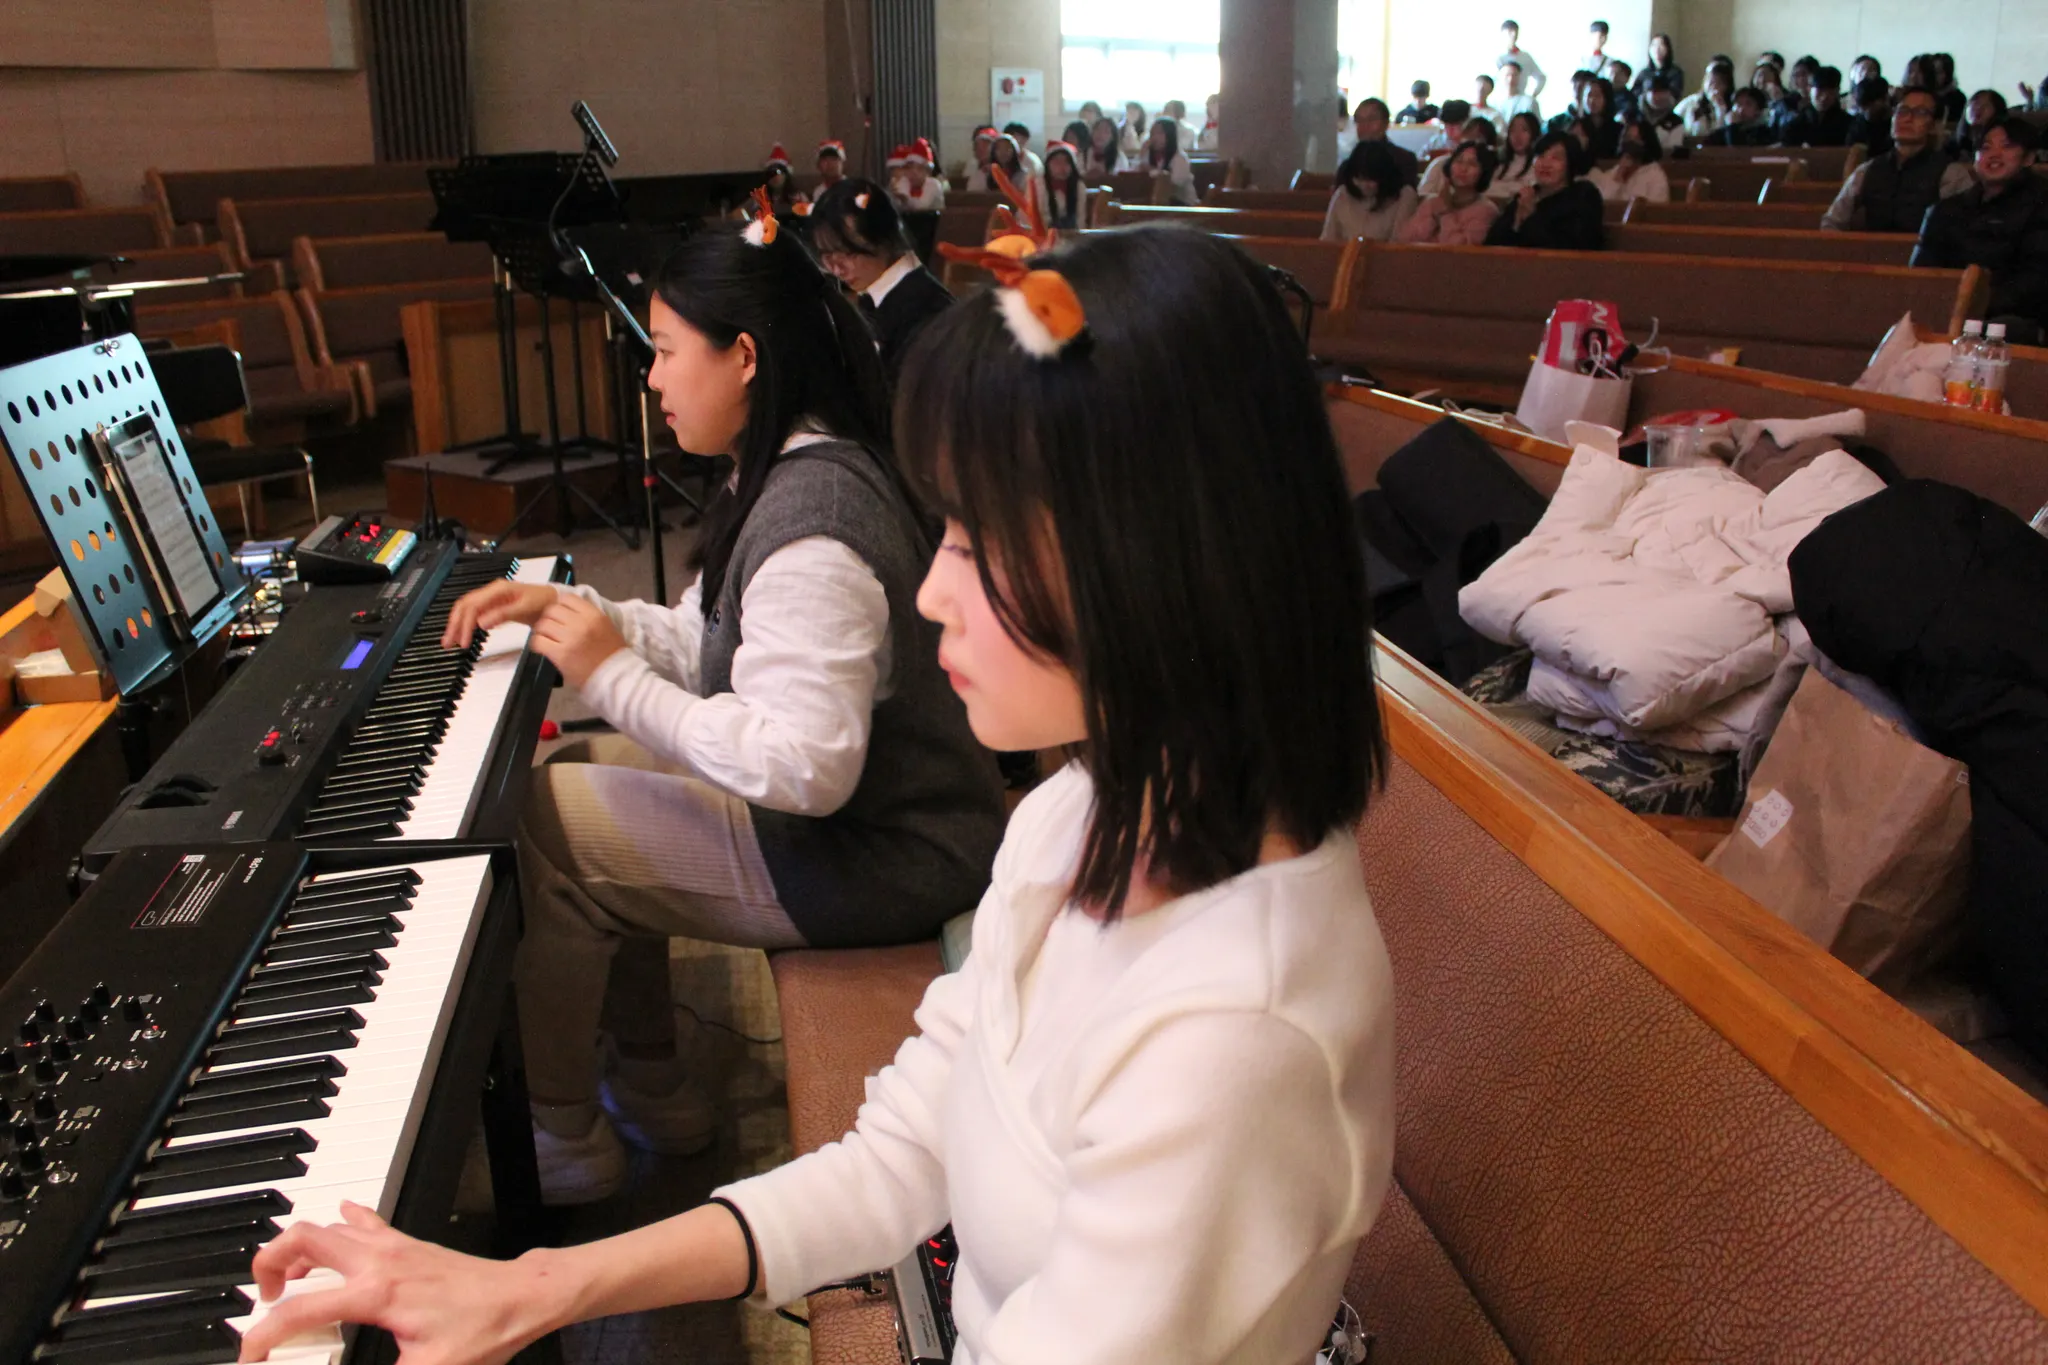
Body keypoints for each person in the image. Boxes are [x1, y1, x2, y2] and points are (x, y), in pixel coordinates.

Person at [233, 221, 1398, 1365]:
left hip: (861, 853)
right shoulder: (1076, 812)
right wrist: (529, 1289)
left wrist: (611, 673)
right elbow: (901, 1155)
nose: (930, 592)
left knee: (566, 815)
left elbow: (804, 763)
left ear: (1156, 552)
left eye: (977, 538)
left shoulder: (1230, 1037)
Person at [426, 213, 1005, 1203]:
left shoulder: (811, 533)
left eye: (663, 350)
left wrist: (609, 674)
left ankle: (563, 1133)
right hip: (876, 828)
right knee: (579, 774)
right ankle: (655, 1086)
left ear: (742, 356)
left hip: (887, 858)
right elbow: (709, 640)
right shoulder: (789, 464)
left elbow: (803, 769)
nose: (650, 378)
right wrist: (579, 614)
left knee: (544, 821)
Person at [1913, 116, 2048, 338]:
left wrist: (1972, 307)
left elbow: (2035, 282)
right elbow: (1922, 273)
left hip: (2014, 318)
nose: (1994, 154)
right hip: (1950, 310)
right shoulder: (1945, 209)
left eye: (2007, 146)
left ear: (2029, 158)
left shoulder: (2042, 205)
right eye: (1985, 147)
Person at [812, 178, 953, 383]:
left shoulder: (925, 310)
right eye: (827, 255)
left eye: (849, 253)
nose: (836, 269)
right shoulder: (873, 295)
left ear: (885, 238)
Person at [1823, 85, 1975, 232]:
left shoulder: (1951, 174)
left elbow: (1966, 229)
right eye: (1902, 111)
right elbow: (1832, 221)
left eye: (1920, 112)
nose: (1907, 118)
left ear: (1934, 125)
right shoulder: (1868, 170)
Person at [1485, 130, 1603, 249]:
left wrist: (1530, 218)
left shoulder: (1583, 196)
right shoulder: (1525, 196)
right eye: (1541, 156)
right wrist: (1516, 223)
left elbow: (1570, 248)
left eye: (1556, 158)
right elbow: (1491, 243)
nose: (1546, 164)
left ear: (1570, 163)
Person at [1400, 142, 1502, 244]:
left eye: (1472, 164)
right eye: (1459, 161)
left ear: (1483, 172)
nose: (1463, 169)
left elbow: (1457, 248)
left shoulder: (1486, 211)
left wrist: (1445, 213)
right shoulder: (1433, 202)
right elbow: (1405, 239)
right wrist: (1433, 217)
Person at [1323, 140, 1419, 241]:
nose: (1364, 185)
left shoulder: (1404, 196)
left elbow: (1399, 243)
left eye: (1370, 180)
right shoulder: (1343, 194)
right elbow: (1327, 238)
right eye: (1358, 179)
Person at [1588, 119, 1671, 203]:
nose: (1631, 143)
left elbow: (1656, 207)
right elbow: (1602, 200)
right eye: (1628, 137)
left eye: (1636, 139)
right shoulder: (1615, 171)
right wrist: (1618, 176)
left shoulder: (1655, 175)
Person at [1352, 96, 1421, 188]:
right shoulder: (1350, 164)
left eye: (1371, 119)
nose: (1365, 125)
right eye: (1359, 120)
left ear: (1386, 123)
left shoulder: (1404, 160)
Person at [1416, 114, 1494, 195]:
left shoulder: (1495, 170)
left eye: (1478, 138)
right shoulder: (1440, 164)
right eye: (1468, 136)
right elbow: (1422, 194)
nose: (1464, 168)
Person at [1783, 66, 1851, 146]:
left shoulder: (1848, 124)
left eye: (1831, 92)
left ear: (1837, 92)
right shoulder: (1796, 122)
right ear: (1809, 89)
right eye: (1820, 91)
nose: (1824, 97)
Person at [1141, 117, 1197, 206]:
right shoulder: (1148, 154)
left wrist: (1151, 170)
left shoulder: (1180, 158)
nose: (1154, 137)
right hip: (1156, 203)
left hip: (1182, 204)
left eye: (1159, 133)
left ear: (1170, 135)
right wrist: (1142, 154)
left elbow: (1173, 184)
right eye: (1152, 133)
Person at [1676, 60, 1737, 140]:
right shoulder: (1691, 102)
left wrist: (1720, 109)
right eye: (1711, 82)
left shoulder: (1732, 107)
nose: (1714, 87)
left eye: (1719, 83)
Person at [1490, 110, 1544, 199]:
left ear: (1534, 133)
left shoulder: (1538, 164)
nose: (1517, 136)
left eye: (1524, 130)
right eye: (1513, 130)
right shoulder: (1499, 160)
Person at [1946, 89, 2009, 161]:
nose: (1979, 108)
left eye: (1987, 105)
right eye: (1976, 103)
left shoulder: (1999, 146)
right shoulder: (1951, 143)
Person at [888, 139, 946, 214]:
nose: (914, 173)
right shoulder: (906, 182)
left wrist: (905, 198)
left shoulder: (933, 184)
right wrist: (893, 195)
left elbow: (922, 207)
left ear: (928, 172)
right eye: (909, 168)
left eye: (920, 169)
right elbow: (896, 209)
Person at [1709, 86, 1776, 147]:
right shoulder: (1727, 128)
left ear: (1758, 110)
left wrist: (1732, 126)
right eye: (1738, 104)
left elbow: (1738, 153)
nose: (1741, 109)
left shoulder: (1763, 132)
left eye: (1748, 104)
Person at [1041, 140, 1087, 230]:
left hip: (1072, 233)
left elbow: (1080, 218)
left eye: (1067, 162)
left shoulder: (1078, 186)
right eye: (1057, 162)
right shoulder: (1038, 185)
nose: (1062, 167)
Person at [1498, 18, 1548, 99]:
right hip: (1500, 100)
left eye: (1515, 32)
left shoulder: (1525, 57)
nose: (1513, 35)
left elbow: (1541, 77)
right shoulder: (1498, 57)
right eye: (1510, 31)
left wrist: (1533, 95)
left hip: (1520, 98)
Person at [1633, 32, 1685, 104]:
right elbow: (1634, 93)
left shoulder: (1675, 72)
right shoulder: (1644, 72)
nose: (1657, 49)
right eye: (1654, 45)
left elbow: (1675, 94)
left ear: (1667, 49)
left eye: (1661, 45)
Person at [1847, 78, 1894, 156]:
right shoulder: (1856, 124)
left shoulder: (1895, 125)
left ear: (1885, 100)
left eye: (1871, 105)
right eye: (1864, 107)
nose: (1867, 112)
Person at [762, 145, 803, 217]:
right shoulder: (761, 198)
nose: (775, 177)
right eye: (771, 173)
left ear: (786, 175)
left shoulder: (798, 196)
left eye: (779, 172)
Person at [1927, 53, 1966, 128]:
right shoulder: (1925, 95)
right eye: (1932, 72)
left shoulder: (1958, 98)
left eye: (1939, 72)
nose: (1934, 76)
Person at [1500, 58, 1542, 123]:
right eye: (1507, 75)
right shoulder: (1492, 102)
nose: (1511, 79)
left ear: (1520, 77)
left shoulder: (1529, 102)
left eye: (1514, 75)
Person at [962, 125, 998, 190]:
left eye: (986, 144)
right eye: (978, 145)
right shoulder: (975, 170)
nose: (981, 148)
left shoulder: (1006, 170)